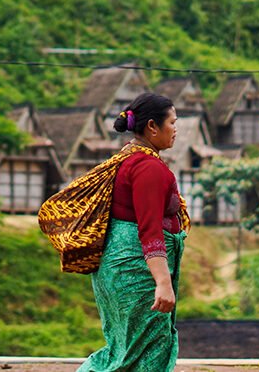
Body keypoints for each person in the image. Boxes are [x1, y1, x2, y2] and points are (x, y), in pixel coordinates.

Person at [79, 93, 189, 372]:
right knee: (144, 350)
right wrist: (162, 283)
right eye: (172, 122)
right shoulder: (148, 168)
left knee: (125, 352)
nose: (176, 129)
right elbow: (150, 230)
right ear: (152, 126)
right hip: (136, 272)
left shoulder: (127, 160)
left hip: (120, 268)